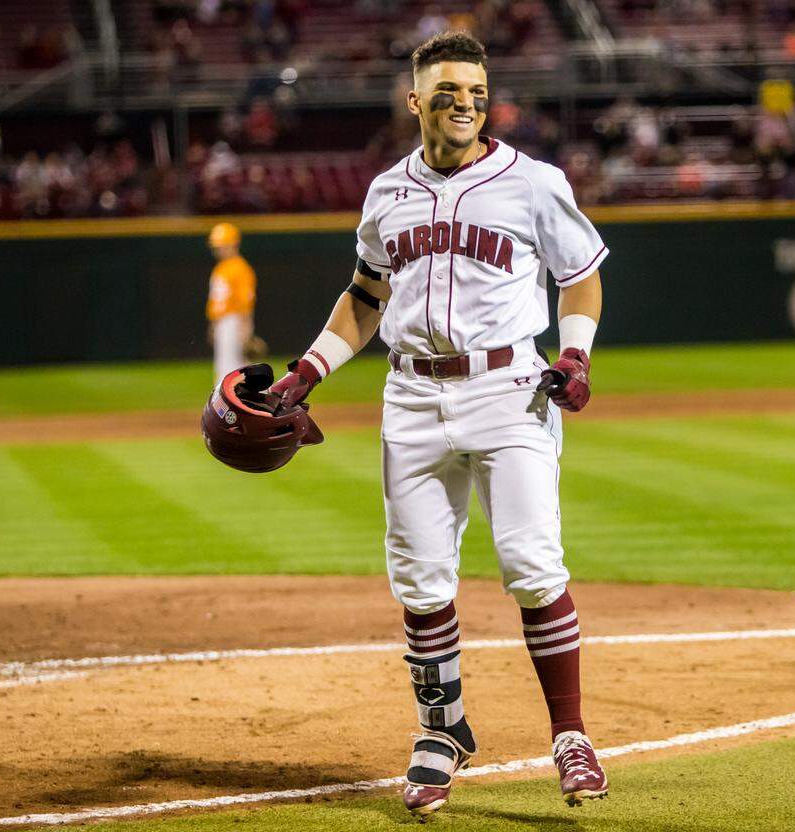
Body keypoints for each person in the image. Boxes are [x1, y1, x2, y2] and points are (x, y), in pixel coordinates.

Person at [262, 31, 609, 819]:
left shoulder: (532, 182)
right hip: (411, 397)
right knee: (421, 581)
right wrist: (306, 372)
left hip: (510, 388)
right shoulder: (387, 191)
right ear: (415, 101)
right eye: (449, 91)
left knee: (531, 564)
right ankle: (439, 730)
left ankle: (571, 734)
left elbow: (582, 276)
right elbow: (363, 296)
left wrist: (578, 357)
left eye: (477, 93)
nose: (466, 104)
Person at [205, 222, 257, 384]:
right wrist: (214, 325)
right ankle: (255, 401)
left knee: (229, 371)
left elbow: (245, 301)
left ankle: (242, 404)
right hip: (223, 323)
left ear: (234, 244)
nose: (219, 249)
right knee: (231, 368)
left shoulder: (240, 268)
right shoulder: (221, 268)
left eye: (222, 245)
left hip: (234, 322)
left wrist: (245, 327)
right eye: (217, 246)